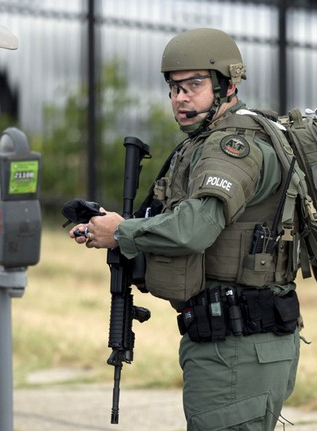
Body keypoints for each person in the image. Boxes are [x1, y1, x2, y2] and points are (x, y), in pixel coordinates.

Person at [69, 28, 301, 431]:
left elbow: (194, 229)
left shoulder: (231, 147)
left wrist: (123, 232)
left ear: (228, 84)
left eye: (194, 85)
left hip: (237, 347)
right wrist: (111, 229)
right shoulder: (210, 140)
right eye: (174, 88)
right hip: (237, 343)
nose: (181, 98)